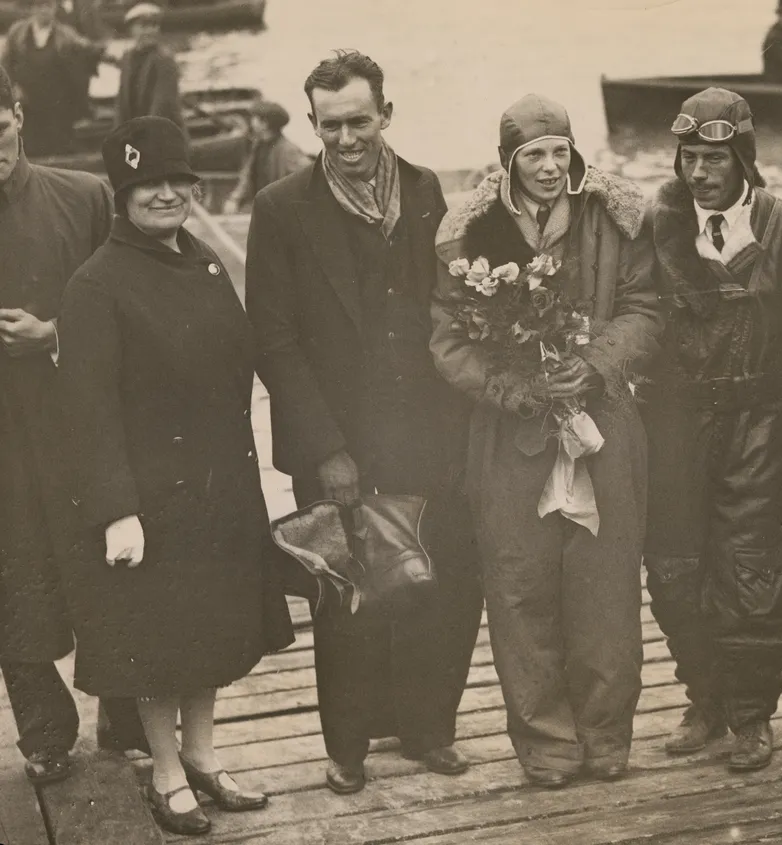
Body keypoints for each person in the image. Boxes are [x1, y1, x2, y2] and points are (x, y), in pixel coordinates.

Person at [244, 50, 484, 795]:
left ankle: (427, 727)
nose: (345, 140)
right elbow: (274, 342)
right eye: (329, 126)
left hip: (426, 431)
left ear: (386, 114)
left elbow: (446, 305)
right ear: (312, 123)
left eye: (358, 121)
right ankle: (346, 746)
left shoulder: (423, 189)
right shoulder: (281, 208)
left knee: (438, 585)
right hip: (337, 442)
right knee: (348, 598)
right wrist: (328, 449)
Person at [57, 116, 294, 836]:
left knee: (212, 630)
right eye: (145, 185)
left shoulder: (205, 261)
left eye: (176, 182)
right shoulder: (96, 284)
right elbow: (88, 413)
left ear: (194, 186)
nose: (164, 195)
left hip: (220, 485)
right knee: (160, 640)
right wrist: (116, 510)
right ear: (122, 196)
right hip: (151, 501)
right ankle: (164, 770)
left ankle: (201, 753)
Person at [431, 93, 662, 788]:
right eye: (533, 154)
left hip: (603, 427)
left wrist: (591, 366)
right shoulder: (470, 233)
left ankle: (607, 735)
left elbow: (647, 308)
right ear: (508, 162)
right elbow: (446, 341)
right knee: (520, 587)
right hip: (510, 438)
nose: (550, 166)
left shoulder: (616, 218)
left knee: (606, 587)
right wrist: (516, 388)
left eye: (560, 151)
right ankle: (547, 743)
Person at [641, 87, 782, 772]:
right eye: (688, 157)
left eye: (714, 158)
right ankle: (705, 701)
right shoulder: (658, 227)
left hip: (761, 424)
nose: (699, 173)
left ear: (744, 157)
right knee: (676, 567)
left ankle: (751, 716)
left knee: (754, 573)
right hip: (678, 423)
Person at [0, 63, 146, 786]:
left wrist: (51, 332)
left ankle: (123, 716)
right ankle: (46, 730)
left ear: (18, 114)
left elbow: (126, 303)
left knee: (107, 558)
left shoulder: (84, 196)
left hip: (76, 420)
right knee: (10, 574)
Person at [0, 0, 108, 156]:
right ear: (33, 8)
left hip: (57, 104)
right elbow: (5, 64)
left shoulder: (65, 34)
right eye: (39, 5)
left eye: (48, 6)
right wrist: (13, 87)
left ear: (54, 9)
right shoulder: (18, 33)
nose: (44, 10)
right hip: (26, 103)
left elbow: (87, 50)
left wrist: (108, 53)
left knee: (57, 147)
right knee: (28, 147)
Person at [223, 101, 310, 214]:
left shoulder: (288, 150)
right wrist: (234, 199)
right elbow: (247, 175)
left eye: (255, 119)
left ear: (265, 124)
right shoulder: (257, 145)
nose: (251, 122)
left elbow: (308, 179)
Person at [114, 3, 184, 133]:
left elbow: (162, 104)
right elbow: (122, 102)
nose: (150, 31)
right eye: (143, 26)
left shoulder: (164, 59)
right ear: (132, 30)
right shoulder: (127, 58)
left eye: (154, 26)